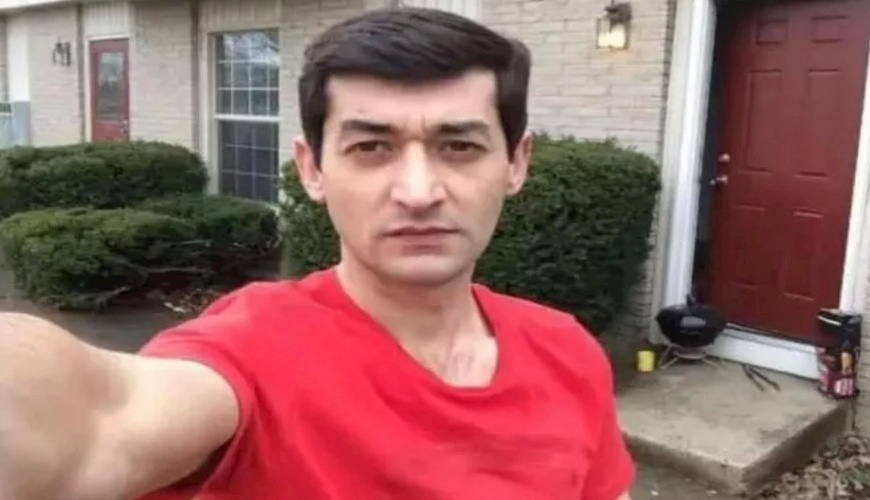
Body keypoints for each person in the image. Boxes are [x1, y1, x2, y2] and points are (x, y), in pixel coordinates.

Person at [0, 7, 635, 500]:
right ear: (312, 169)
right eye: (371, 148)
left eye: (460, 147)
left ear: (516, 163)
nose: (419, 192)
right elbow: (99, 418)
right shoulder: (252, 351)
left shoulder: (567, 351)